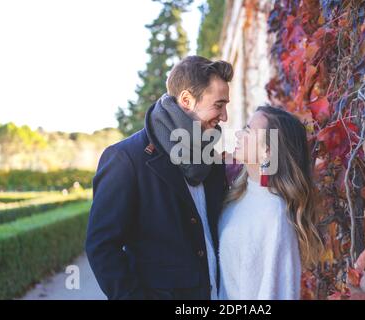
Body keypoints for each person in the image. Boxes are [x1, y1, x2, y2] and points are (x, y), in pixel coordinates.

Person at [86, 55, 233, 300]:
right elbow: (101, 248)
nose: (225, 117)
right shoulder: (126, 159)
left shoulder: (213, 160)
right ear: (187, 100)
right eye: (219, 105)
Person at [218, 106, 323, 300]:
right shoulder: (237, 195)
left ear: (267, 150)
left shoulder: (275, 213)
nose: (240, 134)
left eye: (248, 131)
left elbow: (280, 293)